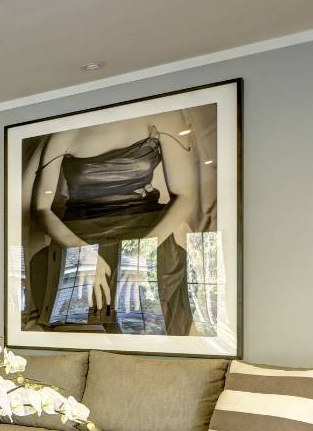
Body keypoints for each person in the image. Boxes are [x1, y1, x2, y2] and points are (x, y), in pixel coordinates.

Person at [24, 109, 205, 336]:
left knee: (142, 320)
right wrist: (83, 252)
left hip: (145, 230)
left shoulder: (161, 119)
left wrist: (139, 251)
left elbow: (185, 196)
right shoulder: (65, 134)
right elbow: (41, 208)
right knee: (78, 324)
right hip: (80, 233)